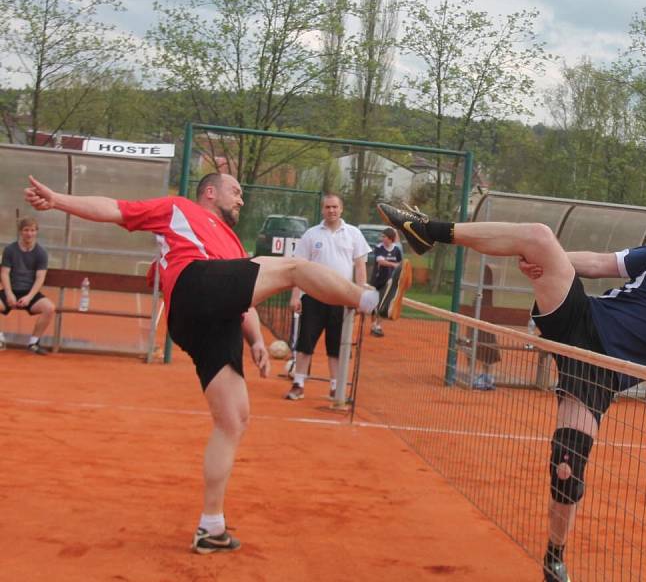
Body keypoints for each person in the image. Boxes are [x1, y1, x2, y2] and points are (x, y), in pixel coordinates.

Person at [376, 203, 646, 582]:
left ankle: (554, 553)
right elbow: (598, 263)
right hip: (580, 321)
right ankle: (428, 230)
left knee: (566, 470)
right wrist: (550, 263)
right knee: (539, 238)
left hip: (600, 377)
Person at [22, 174, 407, 555]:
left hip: (207, 320)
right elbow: (114, 209)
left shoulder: (234, 243)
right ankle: (374, 301)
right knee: (293, 268)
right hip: (193, 286)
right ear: (210, 192)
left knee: (234, 419)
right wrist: (57, 199)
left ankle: (211, 526)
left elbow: (240, 296)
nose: (240, 200)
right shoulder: (180, 209)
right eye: (235, 191)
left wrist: (256, 340)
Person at [285, 195, 408, 401]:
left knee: (337, 346)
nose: (331, 210)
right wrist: (295, 296)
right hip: (313, 296)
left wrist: (359, 297)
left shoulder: (353, 233)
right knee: (305, 343)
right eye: (327, 207)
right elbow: (299, 268)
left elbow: (360, 268)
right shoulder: (311, 234)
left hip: (341, 299)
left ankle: (336, 387)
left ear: (341, 209)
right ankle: (298, 383)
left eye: (335, 207)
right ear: (322, 210)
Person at [0, 216, 55, 354]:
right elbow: (4, 273)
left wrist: (29, 297)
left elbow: (40, 277)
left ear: (36, 232)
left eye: (32, 230)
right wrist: (9, 294)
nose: (29, 233)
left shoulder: (41, 253)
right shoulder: (10, 250)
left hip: (30, 293)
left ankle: (33, 343)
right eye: (26, 230)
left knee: (49, 308)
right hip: (10, 292)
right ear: (20, 232)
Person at [369, 227, 403, 337]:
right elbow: (381, 261)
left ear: (391, 239)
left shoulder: (396, 250)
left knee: (385, 304)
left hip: (389, 282)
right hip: (377, 280)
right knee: (375, 303)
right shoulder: (379, 248)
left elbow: (400, 264)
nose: (382, 239)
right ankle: (373, 324)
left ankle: (377, 326)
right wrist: (394, 265)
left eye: (385, 237)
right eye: (382, 237)